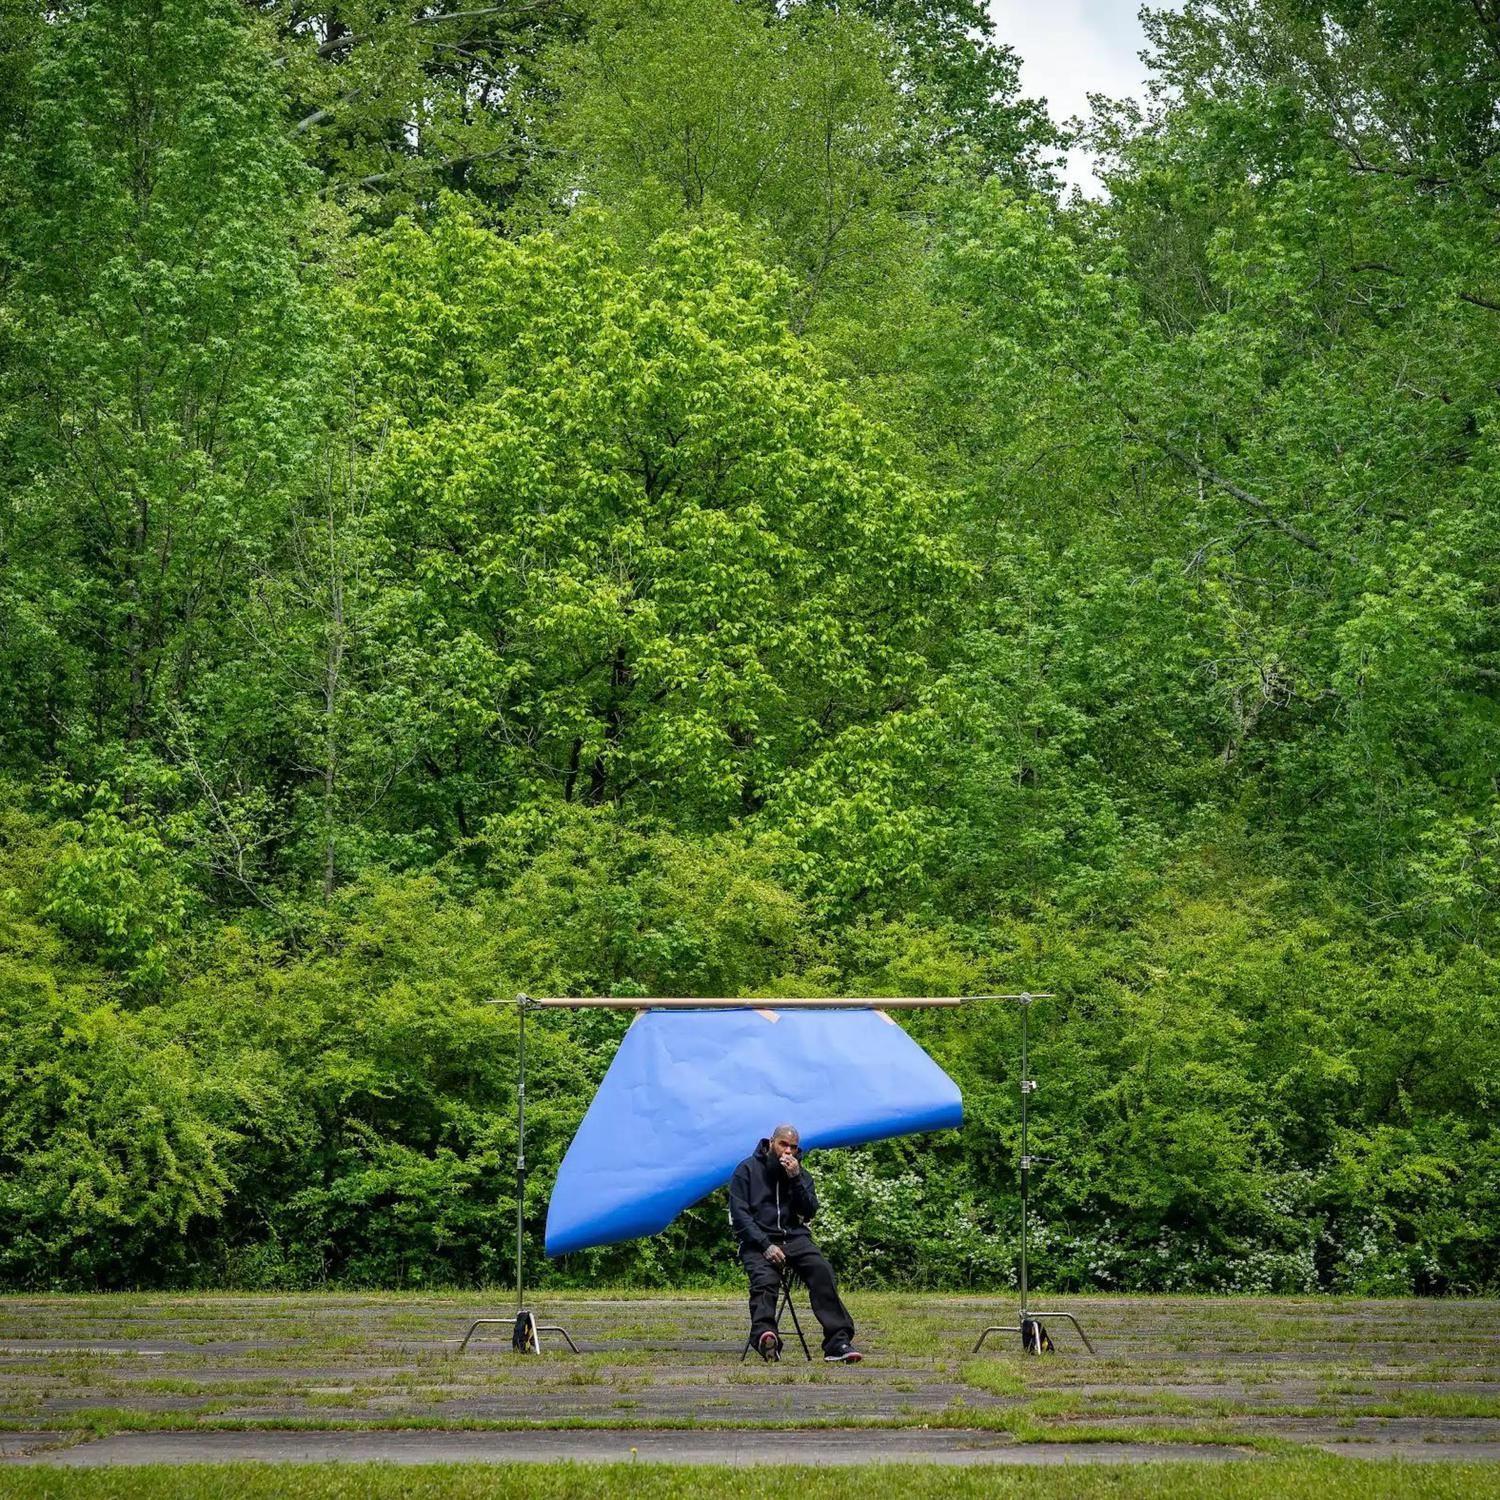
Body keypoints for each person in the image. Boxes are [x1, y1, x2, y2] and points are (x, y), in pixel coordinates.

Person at [727, 1124, 862, 1363]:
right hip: (758, 1240)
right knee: (765, 1280)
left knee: (823, 1272)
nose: (788, 1152)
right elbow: (740, 1216)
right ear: (771, 1143)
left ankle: (837, 1342)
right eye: (783, 1145)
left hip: (795, 1238)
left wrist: (796, 1178)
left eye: (793, 1147)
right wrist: (765, 1244)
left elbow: (809, 1211)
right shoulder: (746, 1170)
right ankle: (765, 1337)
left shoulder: (801, 1173)